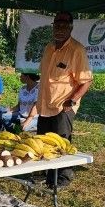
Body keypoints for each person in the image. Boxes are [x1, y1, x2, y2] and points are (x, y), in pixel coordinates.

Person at [37, 11, 93, 188]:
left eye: (64, 24)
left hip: (63, 107)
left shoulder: (77, 50)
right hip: (44, 106)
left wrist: (73, 100)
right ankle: (48, 177)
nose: (59, 28)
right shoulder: (49, 48)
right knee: (45, 143)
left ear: (71, 26)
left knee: (62, 143)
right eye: (57, 24)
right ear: (53, 26)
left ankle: (63, 179)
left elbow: (86, 81)